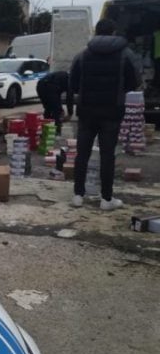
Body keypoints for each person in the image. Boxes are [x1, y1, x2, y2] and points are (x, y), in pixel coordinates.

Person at [68, 18, 140, 210]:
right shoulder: (126, 54)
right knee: (108, 155)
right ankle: (106, 199)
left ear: (96, 32)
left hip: (86, 111)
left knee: (82, 153)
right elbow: (135, 81)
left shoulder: (82, 55)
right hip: (112, 111)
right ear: (114, 32)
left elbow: (73, 84)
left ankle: (77, 196)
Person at [36, 69, 74, 135]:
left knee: (48, 108)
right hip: (49, 87)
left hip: (40, 86)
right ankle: (56, 131)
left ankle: (47, 130)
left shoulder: (62, 75)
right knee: (57, 110)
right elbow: (69, 97)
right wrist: (70, 113)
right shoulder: (70, 80)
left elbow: (57, 95)